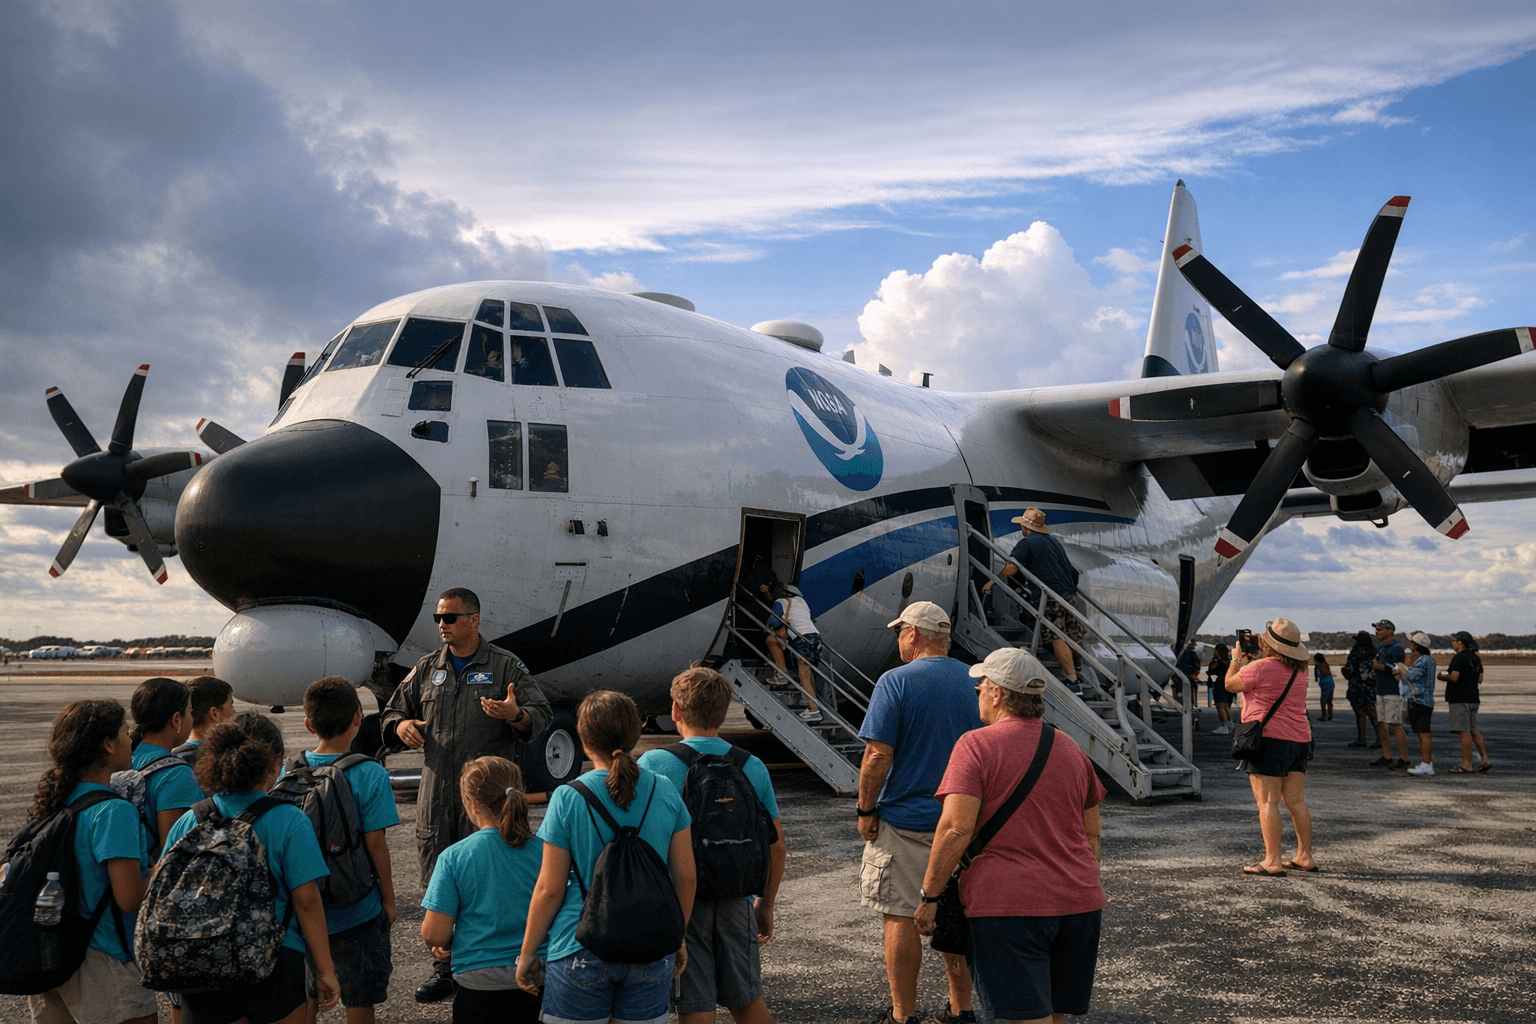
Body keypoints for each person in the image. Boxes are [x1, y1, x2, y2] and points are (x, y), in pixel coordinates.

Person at [379, 586, 552, 1003]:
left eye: (450, 618)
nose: (442, 625)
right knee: (438, 879)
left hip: (490, 800)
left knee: (497, 879)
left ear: (474, 620)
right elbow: (392, 710)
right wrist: (399, 727)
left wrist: (517, 715)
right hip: (438, 796)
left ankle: (507, 957)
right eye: (439, 618)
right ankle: (445, 968)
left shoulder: (505, 667)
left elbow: (540, 715)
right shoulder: (427, 668)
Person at [915, 648, 1106, 1024]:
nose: (978, 693)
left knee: (1023, 1018)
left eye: (981, 685)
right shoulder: (1070, 747)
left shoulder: (976, 746)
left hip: (1009, 907)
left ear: (998, 693)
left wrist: (930, 896)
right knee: (1054, 1015)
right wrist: (1076, 881)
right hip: (1079, 905)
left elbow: (955, 828)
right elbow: (1093, 835)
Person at [516, 690, 695, 1024]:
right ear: (634, 736)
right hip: (651, 946)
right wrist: (678, 936)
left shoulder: (568, 797)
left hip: (579, 945)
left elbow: (550, 888)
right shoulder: (665, 790)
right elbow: (685, 877)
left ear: (584, 742)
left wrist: (527, 953)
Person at [857, 602, 982, 1024]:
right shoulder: (976, 682)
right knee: (953, 914)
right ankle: (961, 1009)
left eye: (899, 633)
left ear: (913, 635)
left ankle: (902, 1015)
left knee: (900, 915)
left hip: (906, 822)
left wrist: (865, 809)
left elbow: (877, 755)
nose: (897, 641)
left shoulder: (895, 682)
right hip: (964, 823)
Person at [166, 722, 341, 1024]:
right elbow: (307, 900)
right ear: (273, 767)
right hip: (275, 958)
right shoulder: (289, 820)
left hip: (204, 961)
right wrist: (325, 969)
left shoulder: (187, 822)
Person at [638, 668, 785, 1024]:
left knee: (696, 1006)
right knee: (748, 1001)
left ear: (675, 711)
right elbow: (776, 846)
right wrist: (765, 905)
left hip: (682, 904)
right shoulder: (752, 765)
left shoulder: (653, 764)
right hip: (737, 898)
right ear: (723, 711)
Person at [25, 699, 158, 1024]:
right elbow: (129, 898)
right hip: (105, 962)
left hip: (53, 956)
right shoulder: (115, 810)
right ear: (108, 744)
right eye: (125, 732)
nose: (131, 739)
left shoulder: (55, 800)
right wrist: (161, 869)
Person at [297, 677, 399, 1024]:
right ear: (359, 717)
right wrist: (388, 899)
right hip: (358, 906)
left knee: (307, 996)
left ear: (309, 724)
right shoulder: (370, 772)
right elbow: (376, 843)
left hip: (305, 904)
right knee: (359, 998)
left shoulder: (292, 771)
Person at [420, 757, 545, 1024]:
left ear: (471, 804)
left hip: (477, 980)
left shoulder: (454, 857)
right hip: (538, 976)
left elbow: (434, 932)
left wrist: (443, 946)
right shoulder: (546, 851)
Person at [1226, 619, 1315, 876]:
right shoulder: (1301, 670)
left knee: (1267, 801)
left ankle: (1272, 860)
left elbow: (1230, 685)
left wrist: (1236, 660)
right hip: (1299, 739)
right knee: (1296, 801)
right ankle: (1304, 856)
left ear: (1268, 644)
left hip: (1269, 740)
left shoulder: (1261, 667)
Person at [981, 507, 1082, 686]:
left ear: (1025, 527)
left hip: (1051, 596)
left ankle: (1073, 681)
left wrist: (992, 581)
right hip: (1069, 595)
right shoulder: (1054, 543)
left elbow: (1012, 568)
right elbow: (1073, 572)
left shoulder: (1027, 543)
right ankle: (1079, 671)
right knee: (1071, 635)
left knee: (1055, 636)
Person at [127, 677, 203, 855]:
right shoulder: (176, 774)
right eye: (190, 713)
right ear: (177, 719)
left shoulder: (123, 759)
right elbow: (175, 854)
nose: (191, 719)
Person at [765, 583, 827, 722]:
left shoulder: (780, 602)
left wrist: (769, 625)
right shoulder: (802, 603)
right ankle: (812, 707)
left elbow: (774, 621)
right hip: (815, 639)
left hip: (802, 640)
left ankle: (813, 710)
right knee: (809, 675)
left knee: (804, 676)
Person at [1440, 631, 1493, 774]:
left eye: (1454, 640)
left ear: (1460, 642)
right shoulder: (1475, 658)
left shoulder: (1458, 658)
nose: (1452, 643)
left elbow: (1454, 677)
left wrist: (1442, 676)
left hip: (1459, 697)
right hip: (1473, 697)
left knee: (1464, 732)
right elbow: (1480, 679)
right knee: (1472, 730)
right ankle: (1485, 759)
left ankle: (1466, 763)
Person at [1369, 620, 1412, 770]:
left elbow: (1400, 668)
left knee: (1395, 724)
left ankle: (1403, 758)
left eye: (1380, 629)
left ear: (1390, 630)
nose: (1377, 632)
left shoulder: (1396, 648)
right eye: (1377, 629)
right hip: (1381, 690)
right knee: (1381, 724)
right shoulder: (1383, 647)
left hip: (1392, 691)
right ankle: (1387, 756)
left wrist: (1381, 667)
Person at [172, 676, 236, 769]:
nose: (234, 712)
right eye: (231, 705)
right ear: (214, 713)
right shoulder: (224, 758)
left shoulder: (176, 755)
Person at [1401, 633, 1437, 777]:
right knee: (1422, 733)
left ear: (1415, 645)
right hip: (1424, 700)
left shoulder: (1422, 660)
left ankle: (1427, 765)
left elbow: (1411, 676)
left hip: (1420, 700)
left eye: (1411, 643)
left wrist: (1406, 666)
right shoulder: (1429, 659)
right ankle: (1426, 763)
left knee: (1423, 734)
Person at [1341, 631, 1381, 749]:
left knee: (1362, 713)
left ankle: (1363, 738)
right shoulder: (1373, 652)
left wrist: (1346, 672)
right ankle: (1379, 738)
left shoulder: (1357, 652)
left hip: (1357, 685)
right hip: (1369, 686)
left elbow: (1351, 669)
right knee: (1370, 712)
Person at [1207, 643, 1233, 735]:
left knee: (1220, 706)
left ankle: (1224, 726)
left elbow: (1211, 668)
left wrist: (1215, 659)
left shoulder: (1218, 661)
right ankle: (1229, 723)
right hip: (1227, 684)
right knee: (1226, 706)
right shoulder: (1229, 661)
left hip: (1219, 684)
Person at [1174, 641, 1201, 709]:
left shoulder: (1182, 652)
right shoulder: (1191, 652)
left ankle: (1181, 705)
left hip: (1180, 672)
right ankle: (1190, 705)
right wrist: (1196, 671)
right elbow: (1197, 662)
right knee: (1190, 690)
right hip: (1188, 673)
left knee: (1181, 689)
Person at [1312, 654, 1335, 721]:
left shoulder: (1319, 666)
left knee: (1323, 701)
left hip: (1325, 685)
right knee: (1329, 701)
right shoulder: (1325, 664)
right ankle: (1330, 715)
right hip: (1331, 683)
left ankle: (1324, 716)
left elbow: (1319, 676)